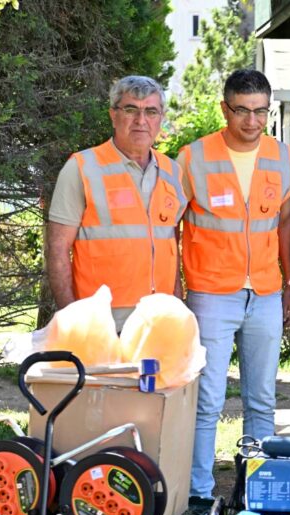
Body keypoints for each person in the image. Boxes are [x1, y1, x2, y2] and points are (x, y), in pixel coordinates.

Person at [177, 69, 290, 499]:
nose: (252, 120)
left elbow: (284, 222)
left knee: (262, 401)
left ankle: (257, 491)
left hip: (265, 292)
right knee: (207, 401)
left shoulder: (281, 155)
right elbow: (168, 223)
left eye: (261, 111)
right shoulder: (193, 157)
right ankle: (199, 494)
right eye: (242, 110)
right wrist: (176, 288)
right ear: (225, 109)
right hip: (211, 293)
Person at [47, 76, 187, 330]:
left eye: (151, 111)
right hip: (100, 324)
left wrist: (178, 309)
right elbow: (57, 249)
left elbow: (170, 247)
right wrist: (71, 319)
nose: (141, 121)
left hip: (159, 323)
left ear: (161, 118)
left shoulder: (173, 172)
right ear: (113, 115)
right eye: (131, 109)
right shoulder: (82, 168)